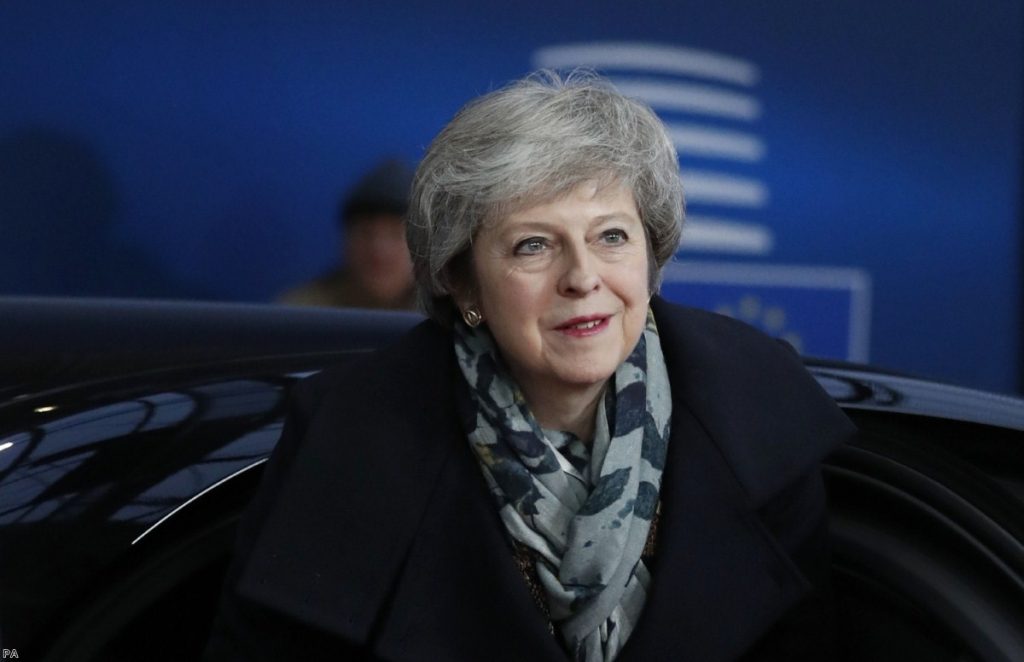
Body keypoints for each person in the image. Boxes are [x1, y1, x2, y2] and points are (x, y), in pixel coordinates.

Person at [206, 72, 856, 661]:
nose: (582, 277)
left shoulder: (754, 411)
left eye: (611, 236)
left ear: (650, 255)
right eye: (533, 245)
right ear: (463, 284)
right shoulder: (352, 435)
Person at [278, 159, 416, 309]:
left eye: (396, 234)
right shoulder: (300, 312)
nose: (379, 250)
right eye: (366, 233)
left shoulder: (441, 319)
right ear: (345, 240)